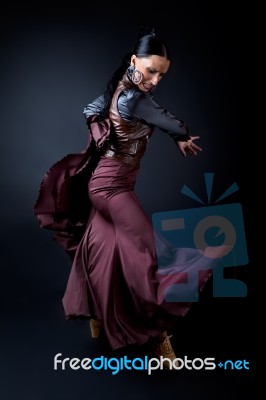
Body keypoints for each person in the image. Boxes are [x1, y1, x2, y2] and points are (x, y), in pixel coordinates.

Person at [34, 27, 219, 368]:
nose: (156, 80)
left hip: (105, 185)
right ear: (135, 61)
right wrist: (180, 135)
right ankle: (159, 339)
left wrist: (104, 132)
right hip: (112, 189)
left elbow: (92, 109)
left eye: (162, 74)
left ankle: (98, 317)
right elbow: (167, 120)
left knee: (102, 250)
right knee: (150, 256)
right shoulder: (135, 98)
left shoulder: (117, 89)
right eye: (151, 70)